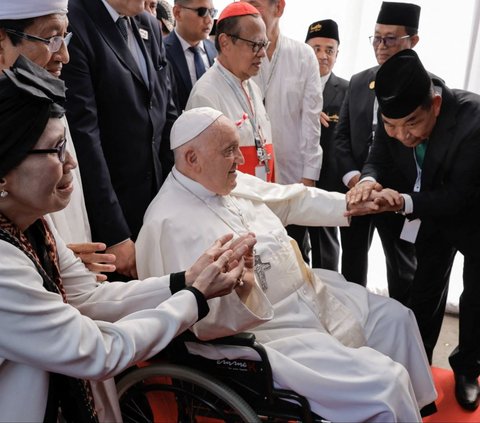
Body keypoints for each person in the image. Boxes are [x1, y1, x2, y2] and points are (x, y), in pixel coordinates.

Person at [135, 106, 438, 422]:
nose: (240, 160)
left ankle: (416, 411)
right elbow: (191, 323)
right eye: (230, 151)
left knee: (397, 319)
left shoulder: (229, 180)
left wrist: (351, 203)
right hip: (265, 334)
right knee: (385, 384)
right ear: (192, 159)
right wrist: (244, 289)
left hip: (304, 293)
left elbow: (290, 199)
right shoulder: (167, 223)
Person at [0, 58, 253, 422]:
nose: (71, 162)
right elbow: (98, 351)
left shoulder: (36, 225)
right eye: (55, 150)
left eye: (66, 146)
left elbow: (91, 297)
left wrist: (185, 281)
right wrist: (193, 299)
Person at [347, 49, 480, 411]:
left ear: (435, 105)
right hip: (433, 220)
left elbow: (459, 196)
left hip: (473, 218)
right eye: (392, 126)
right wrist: (370, 180)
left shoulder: (473, 119)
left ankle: (467, 368)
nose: (402, 135)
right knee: (423, 294)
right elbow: (379, 153)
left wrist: (401, 202)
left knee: (476, 299)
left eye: (411, 124)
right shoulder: (393, 119)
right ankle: (416, 370)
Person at [0, 0, 117, 282]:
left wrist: (60, 258)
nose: (64, 55)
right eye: (51, 39)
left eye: (65, 38)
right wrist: (39, 259)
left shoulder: (42, 101)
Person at [62, 0, 178, 279]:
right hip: (111, 221)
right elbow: (85, 137)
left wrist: (178, 197)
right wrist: (115, 233)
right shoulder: (74, 21)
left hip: (159, 208)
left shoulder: (147, 23)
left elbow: (166, 111)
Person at [333, 1, 419, 303]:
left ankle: (402, 329)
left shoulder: (425, 86)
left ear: (413, 41)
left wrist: (387, 190)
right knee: (352, 264)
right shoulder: (358, 81)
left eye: (390, 39)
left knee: (403, 271)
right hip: (358, 190)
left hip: (396, 195)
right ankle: (355, 322)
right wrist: (357, 179)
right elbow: (341, 137)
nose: (381, 46)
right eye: (376, 38)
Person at [244, 0, 323, 262]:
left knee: (294, 258)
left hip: (292, 178)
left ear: (279, 8)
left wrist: (308, 178)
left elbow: (311, 122)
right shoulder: (238, 52)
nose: (249, 12)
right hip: (250, 180)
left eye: (255, 5)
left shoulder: (302, 55)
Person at [186, 2, 275, 182]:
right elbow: (207, 173)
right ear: (225, 43)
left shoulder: (253, 87)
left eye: (264, 44)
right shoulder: (205, 95)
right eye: (256, 45)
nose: (263, 54)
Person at [305, 19, 348, 270]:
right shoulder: (292, 86)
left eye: (329, 50)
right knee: (294, 243)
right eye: (316, 48)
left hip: (330, 180)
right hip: (296, 177)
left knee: (325, 245)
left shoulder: (348, 90)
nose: (322, 56)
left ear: (337, 54)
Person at [165, 0, 218, 114]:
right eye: (202, 12)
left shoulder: (216, 51)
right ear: (178, 13)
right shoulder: (160, 52)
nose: (209, 20)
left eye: (212, 12)